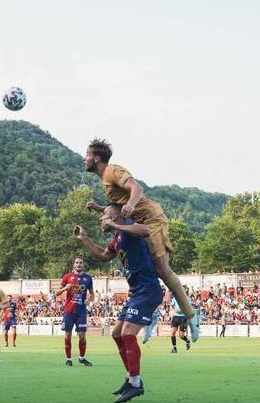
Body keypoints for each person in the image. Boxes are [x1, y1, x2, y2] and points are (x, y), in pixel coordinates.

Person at [82, 138, 201, 343]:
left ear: (96, 157)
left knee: (162, 269)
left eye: (87, 155)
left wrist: (131, 204)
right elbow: (118, 207)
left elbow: (136, 188)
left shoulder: (112, 171)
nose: (84, 159)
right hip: (140, 220)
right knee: (149, 268)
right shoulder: (105, 179)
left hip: (151, 220)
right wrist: (101, 209)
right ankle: (152, 313)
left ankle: (191, 315)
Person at [75, 203, 163, 403]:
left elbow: (145, 230)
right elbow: (103, 256)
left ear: (114, 216)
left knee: (127, 333)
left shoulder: (130, 229)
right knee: (116, 334)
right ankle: (131, 378)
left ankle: (135, 384)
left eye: (104, 215)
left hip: (148, 290)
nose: (100, 219)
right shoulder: (118, 240)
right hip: (136, 293)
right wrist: (84, 239)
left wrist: (118, 225)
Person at [56, 257, 95, 366]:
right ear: (73, 265)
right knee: (67, 335)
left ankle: (82, 358)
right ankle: (69, 359)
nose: (79, 264)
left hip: (81, 311)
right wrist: (64, 288)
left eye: (81, 263)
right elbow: (57, 293)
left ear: (83, 265)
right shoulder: (67, 277)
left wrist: (88, 300)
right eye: (77, 263)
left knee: (82, 336)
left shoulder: (88, 278)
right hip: (69, 311)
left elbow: (92, 295)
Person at [169, 285, 192, 353]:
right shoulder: (175, 298)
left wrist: (182, 310)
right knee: (172, 332)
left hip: (183, 317)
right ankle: (174, 348)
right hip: (176, 316)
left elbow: (188, 308)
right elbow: (171, 306)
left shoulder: (188, 299)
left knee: (181, 335)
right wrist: (173, 310)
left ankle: (187, 341)